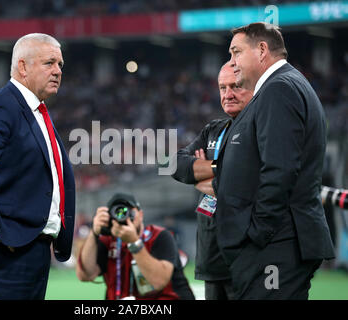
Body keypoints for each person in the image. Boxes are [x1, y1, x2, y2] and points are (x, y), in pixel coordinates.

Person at [212, 22, 334, 299]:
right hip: (279, 241)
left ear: (262, 50)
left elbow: (280, 170)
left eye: (236, 53)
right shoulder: (286, 84)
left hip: (277, 244)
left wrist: (256, 235)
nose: (232, 62)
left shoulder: (279, 88)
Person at [0, 33, 76, 299]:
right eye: (49, 63)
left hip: (32, 251)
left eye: (60, 64)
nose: (58, 71)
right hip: (5, 253)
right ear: (23, 66)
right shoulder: (1, 105)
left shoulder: (37, 113)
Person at [172, 62, 253, 300]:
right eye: (222, 87)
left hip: (244, 258)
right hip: (211, 257)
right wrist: (220, 168)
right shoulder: (214, 130)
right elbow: (175, 165)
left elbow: (246, 178)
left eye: (236, 87)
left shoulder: (259, 128)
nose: (228, 94)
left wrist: (203, 172)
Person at [76, 193, 195, 300]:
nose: (123, 216)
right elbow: (85, 275)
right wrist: (94, 233)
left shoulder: (159, 236)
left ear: (141, 215)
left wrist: (134, 243)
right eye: (117, 211)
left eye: (129, 211)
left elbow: (158, 282)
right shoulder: (107, 241)